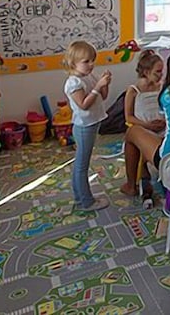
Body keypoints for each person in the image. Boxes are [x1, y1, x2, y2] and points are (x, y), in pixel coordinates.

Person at [62, 40, 112, 211]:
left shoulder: (89, 76)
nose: (91, 64)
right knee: (81, 166)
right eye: (86, 61)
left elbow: (102, 97)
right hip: (84, 126)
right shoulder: (73, 82)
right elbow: (84, 104)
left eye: (92, 60)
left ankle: (80, 198)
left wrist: (105, 84)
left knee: (81, 164)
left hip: (92, 123)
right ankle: (86, 201)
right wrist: (98, 87)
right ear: (73, 63)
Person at [120, 50, 165, 199]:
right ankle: (135, 181)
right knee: (133, 136)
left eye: (162, 71)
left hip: (162, 129)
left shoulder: (161, 87)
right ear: (146, 72)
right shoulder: (133, 91)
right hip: (145, 129)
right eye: (158, 72)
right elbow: (129, 117)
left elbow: (166, 109)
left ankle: (143, 177)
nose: (161, 75)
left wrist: (164, 122)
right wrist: (147, 125)